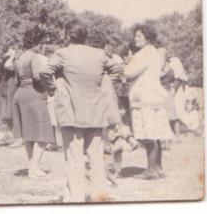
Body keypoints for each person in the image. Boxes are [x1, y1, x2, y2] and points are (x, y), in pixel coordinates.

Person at [40, 20, 122, 202]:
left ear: (67, 35)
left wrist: (54, 89)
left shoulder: (62, 54)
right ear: (85, 36)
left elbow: (45, 72)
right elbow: (116, 70)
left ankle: (75, 199)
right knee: (96, 158)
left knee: (74, 158)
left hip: (71, 112)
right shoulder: (99, 54)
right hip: (96, 112)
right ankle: (99, 196)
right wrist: (104, 85)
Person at [123, 24, 173, 180]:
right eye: (135, 36)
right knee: (156, 133)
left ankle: (151, 170)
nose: (135, 39)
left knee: (148, 134)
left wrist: (128, 62)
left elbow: (128, 72)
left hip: (144, 96)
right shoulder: (154, 52)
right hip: (154, 96)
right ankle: (158, 168)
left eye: (139, 36)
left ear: (148, 38)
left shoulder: (143, 53)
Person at [12, 27, 55, 180]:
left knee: (28, 134)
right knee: (43, 134)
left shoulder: (20, 58)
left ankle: (32, 166)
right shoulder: (34, 57)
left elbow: (16, 81)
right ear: (38, 43)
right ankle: (34, 168)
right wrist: (51, 87)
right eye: (42, 43)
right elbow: (38, 77)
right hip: (34, 95)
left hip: (20, 95)